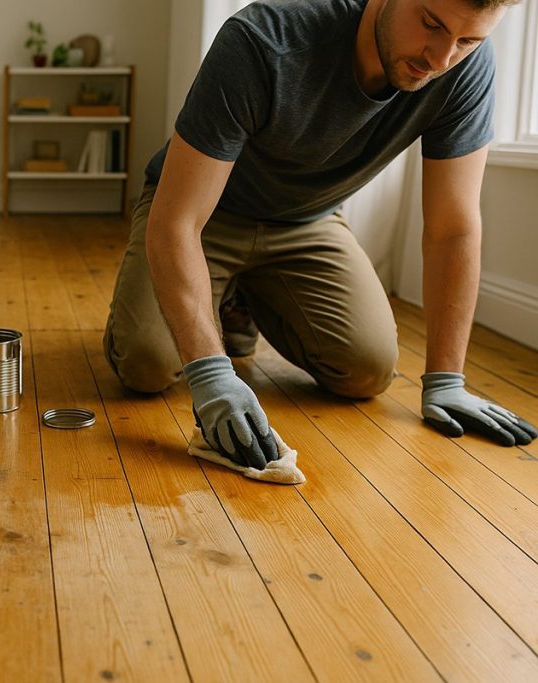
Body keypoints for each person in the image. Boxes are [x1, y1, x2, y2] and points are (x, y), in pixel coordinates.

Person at [104, 0, 537, 470]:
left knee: (366, 369)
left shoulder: (463, 69)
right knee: (145, 363)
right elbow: (177, 222)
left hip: (308, 221)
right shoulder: (263, 39)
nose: (440, 58)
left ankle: (238, 300)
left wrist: (447, 378)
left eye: (468, 40)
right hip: (205, 214)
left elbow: (453, 228)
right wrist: (210, 373)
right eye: (431, 24)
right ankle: (213, 303)